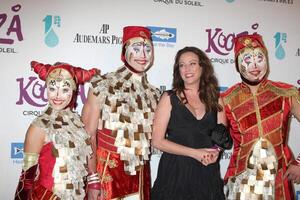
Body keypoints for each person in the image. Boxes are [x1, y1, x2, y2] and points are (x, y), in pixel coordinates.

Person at [82, 26, 160, 200]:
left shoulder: (154, 94)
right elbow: (88, 134)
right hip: (107, 171)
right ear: (124, 51)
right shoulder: (102, 84)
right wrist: (92, 178)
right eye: (136, 48)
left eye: (148, 49)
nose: (143, 55)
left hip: (140, 174)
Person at [222, 34, 300, 199]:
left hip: (279, 175)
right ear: (237, 64)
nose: (255, 65)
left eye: (259, 57)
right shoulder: (226, 99)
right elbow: (216, 138)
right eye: (247, 59)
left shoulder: (286, 93)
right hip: (243, 177)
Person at [151, 46, 231, 200]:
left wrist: (216, 152)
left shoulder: (216, 99)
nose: (186, 69)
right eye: (182, 65)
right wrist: (195, 153)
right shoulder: (169, 98)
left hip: (206, 173)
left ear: (203, 67)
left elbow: (221, 137)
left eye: (192, 63)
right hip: (175, 172)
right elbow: (157, 141)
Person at [14, 61, 98, 200]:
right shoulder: (38, 127)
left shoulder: (78, 124)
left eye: (65, 90)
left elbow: (85, 161)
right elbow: (26, 180)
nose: (57, 96)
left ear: (73, 91)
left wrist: (93, 183)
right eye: (52, 88)